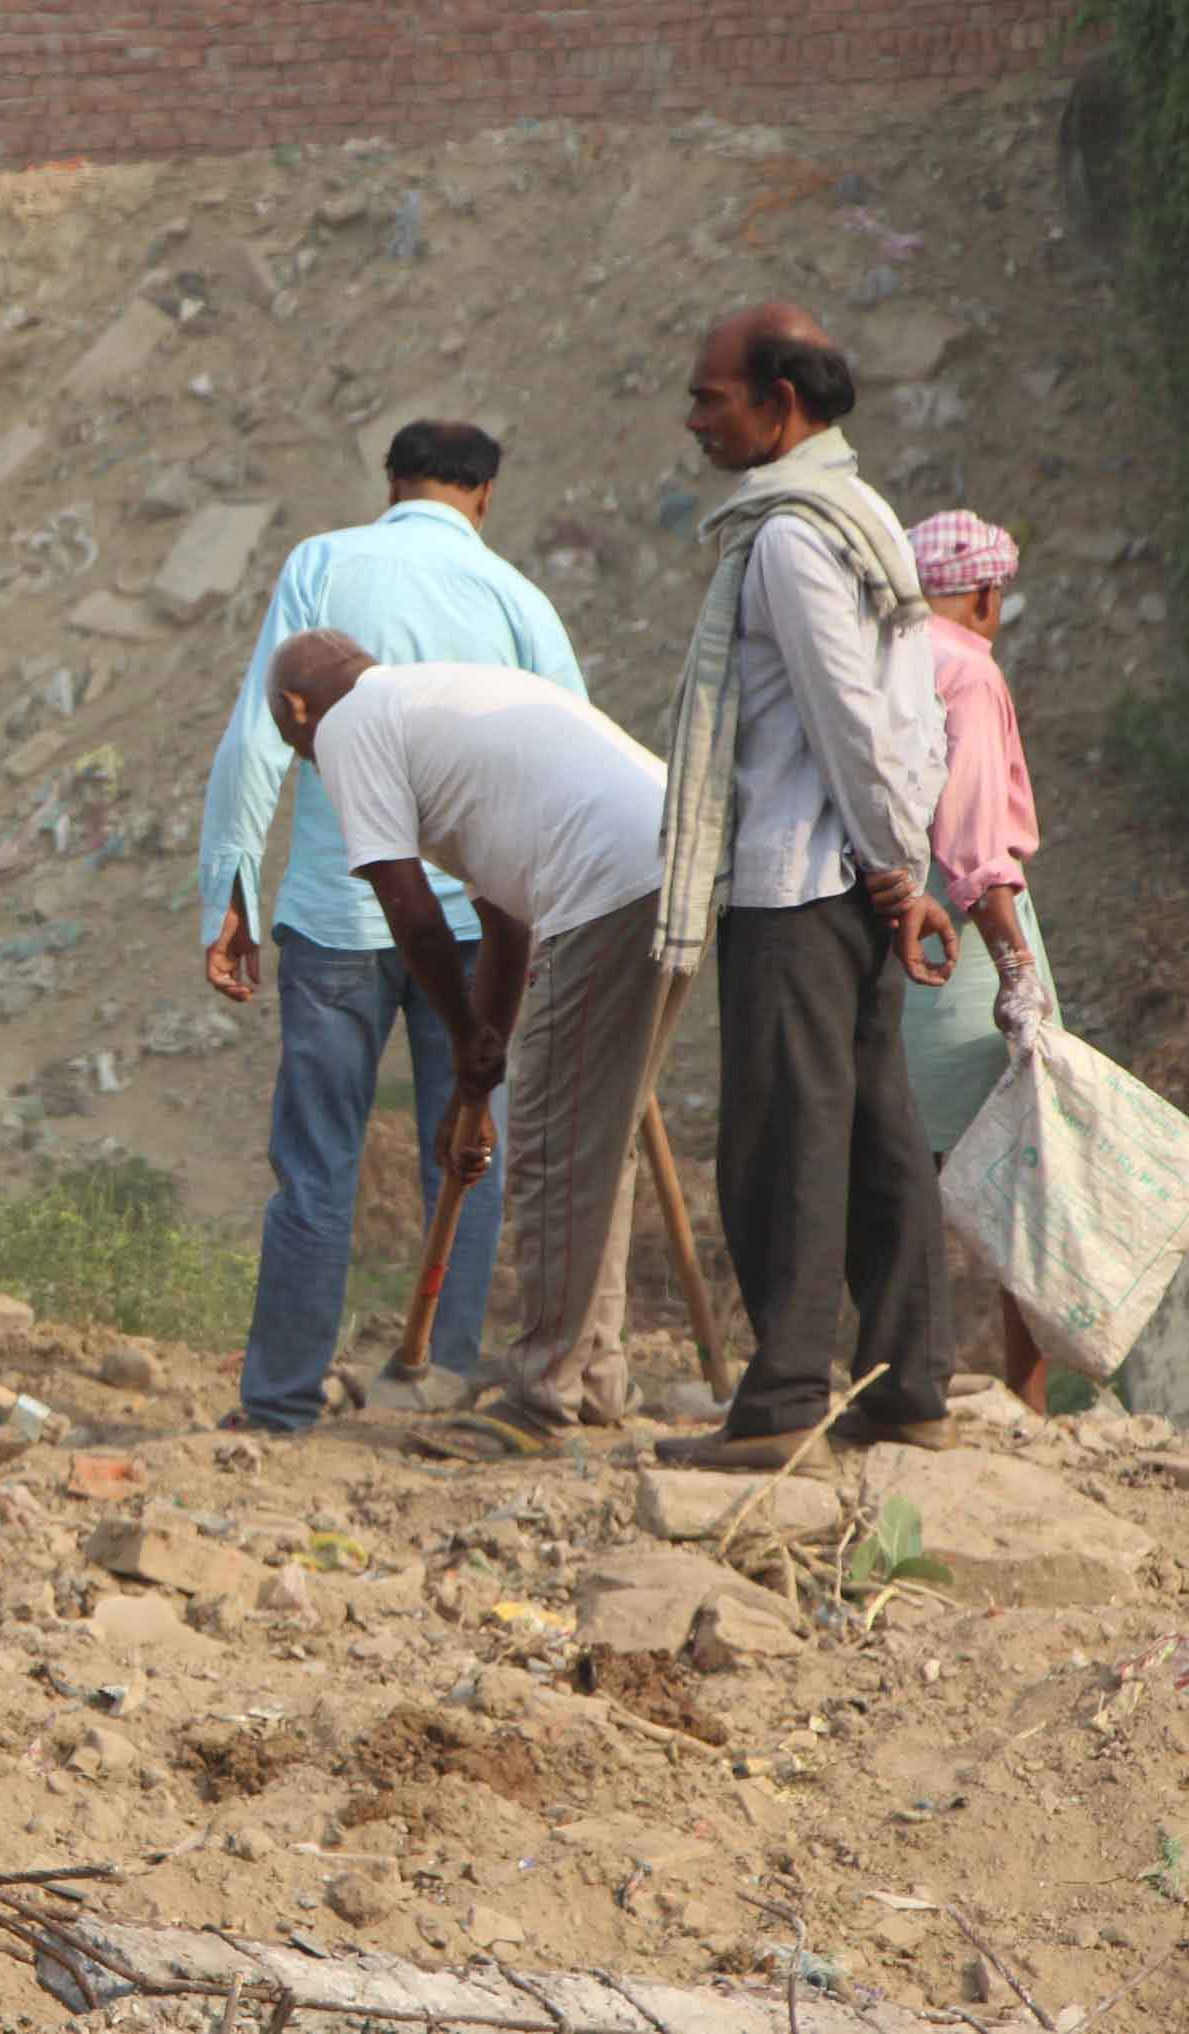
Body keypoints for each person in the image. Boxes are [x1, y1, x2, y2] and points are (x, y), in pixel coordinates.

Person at [193, 420, 586, 1435]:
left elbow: (257, 737)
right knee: (465, 1148)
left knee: (315, 1162)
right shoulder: (517, 602)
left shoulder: (322, 565)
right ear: (484, 497)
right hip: (475, 924)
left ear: (391, 482)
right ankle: (440, 1386)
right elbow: (565, 757)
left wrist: (227, 891)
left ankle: (279, 1402)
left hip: (337, 913)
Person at [652, 304, 957, 1472]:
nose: (693, 419)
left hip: (798, 886)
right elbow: (911, 713)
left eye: (710, 397)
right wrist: (902, 867)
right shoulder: (863, 513)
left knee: (785, 1142)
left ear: (780, 405)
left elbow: (844, 718)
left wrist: (893, 866)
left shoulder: (785, 535)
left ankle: (781, 1402)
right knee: (877, 1132)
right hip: (863, 883)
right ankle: (904, 1387)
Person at [262, 632, 686, 1459]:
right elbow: (502, 923)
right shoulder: (430, 703)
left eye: (290, 741)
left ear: (295, 710)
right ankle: (592, 1378)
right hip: (670, 856)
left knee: (553, 1148)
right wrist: (474, 1065)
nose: (303, 760)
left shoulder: (347, 727)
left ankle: (541, 1397)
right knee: (599, 1139)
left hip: (609, 880)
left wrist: (460, 1036)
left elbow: (409, 910)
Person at [899, 509, 1054, 1415]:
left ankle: (906, 1371)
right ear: (987, 594)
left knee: (904, 1158)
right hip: (967, 925)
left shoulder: (880, 656)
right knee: (1013, 1161)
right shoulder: (966, 668)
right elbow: (972, 838)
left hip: (888, 922)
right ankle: (1025, 1397)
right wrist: (1015, 967)